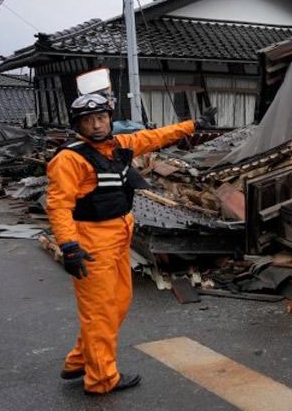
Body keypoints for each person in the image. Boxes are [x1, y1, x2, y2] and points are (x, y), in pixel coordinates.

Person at [47, 92, 216, 394]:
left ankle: (80, 360)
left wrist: (192, 125)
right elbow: (59, 206)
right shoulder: (69, 159)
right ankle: (101, 379)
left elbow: (155, 137)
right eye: (88, 120)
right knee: (100, 312)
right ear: (78, 125)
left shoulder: (118, 146)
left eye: (101, 118)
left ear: (109, 119)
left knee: (118, 304)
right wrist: (69, 246)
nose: (97, 125)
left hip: (118, 236)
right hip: (91, 241)